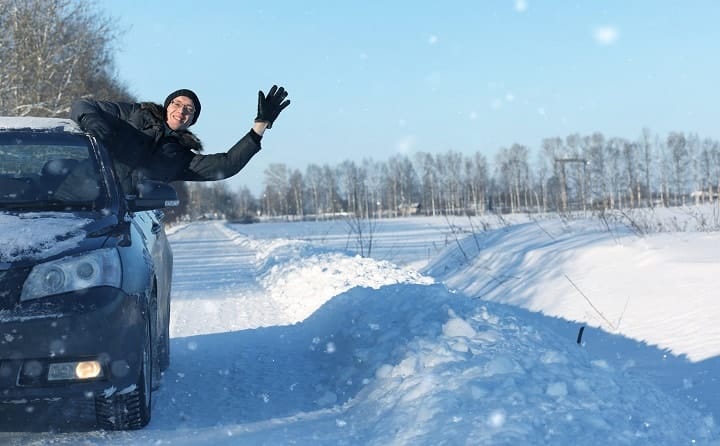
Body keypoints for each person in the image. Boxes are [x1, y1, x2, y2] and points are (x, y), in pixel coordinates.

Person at [69, 85, 290, 193]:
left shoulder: (181, 158)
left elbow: (227, 164)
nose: (181, 110)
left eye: (189, 109)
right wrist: (92, 121)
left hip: (118, 215)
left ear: (191, 120)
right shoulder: (133, 114)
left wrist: (259, 126)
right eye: (176, 103)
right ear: (167, 107)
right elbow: (83, 105)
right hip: (74, 194)